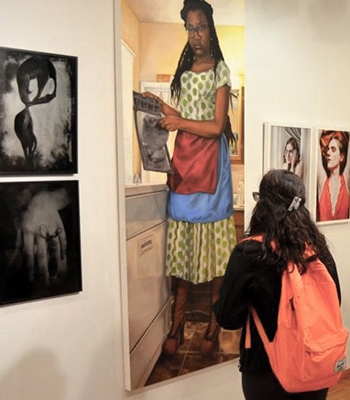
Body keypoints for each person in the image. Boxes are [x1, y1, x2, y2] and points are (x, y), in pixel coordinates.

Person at [141, 0, 235, 357]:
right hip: (184, 164)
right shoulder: (186, 69)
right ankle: (177, 325)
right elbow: (187, 116)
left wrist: (178, 123)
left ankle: (214, 324)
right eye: (190, 29)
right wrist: (161, 107)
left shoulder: (220, 71)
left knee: (215, 255)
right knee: (180, 253)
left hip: (212, 167)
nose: (196, 36)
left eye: (200, 27)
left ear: (211, 28)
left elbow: (214, 127)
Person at [213, 169, 341, 400]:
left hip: (265, 369)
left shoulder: (250, 253)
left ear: (263, 205)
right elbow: (334, 302)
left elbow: (228, 318)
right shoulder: (317, 250)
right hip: (315, 363)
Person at [317, 130, 350, 221]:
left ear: (341, 157)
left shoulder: (346, 180)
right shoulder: (323, 181)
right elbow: (316, 136)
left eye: (333, 149)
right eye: (328, 149)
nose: (328, 153)